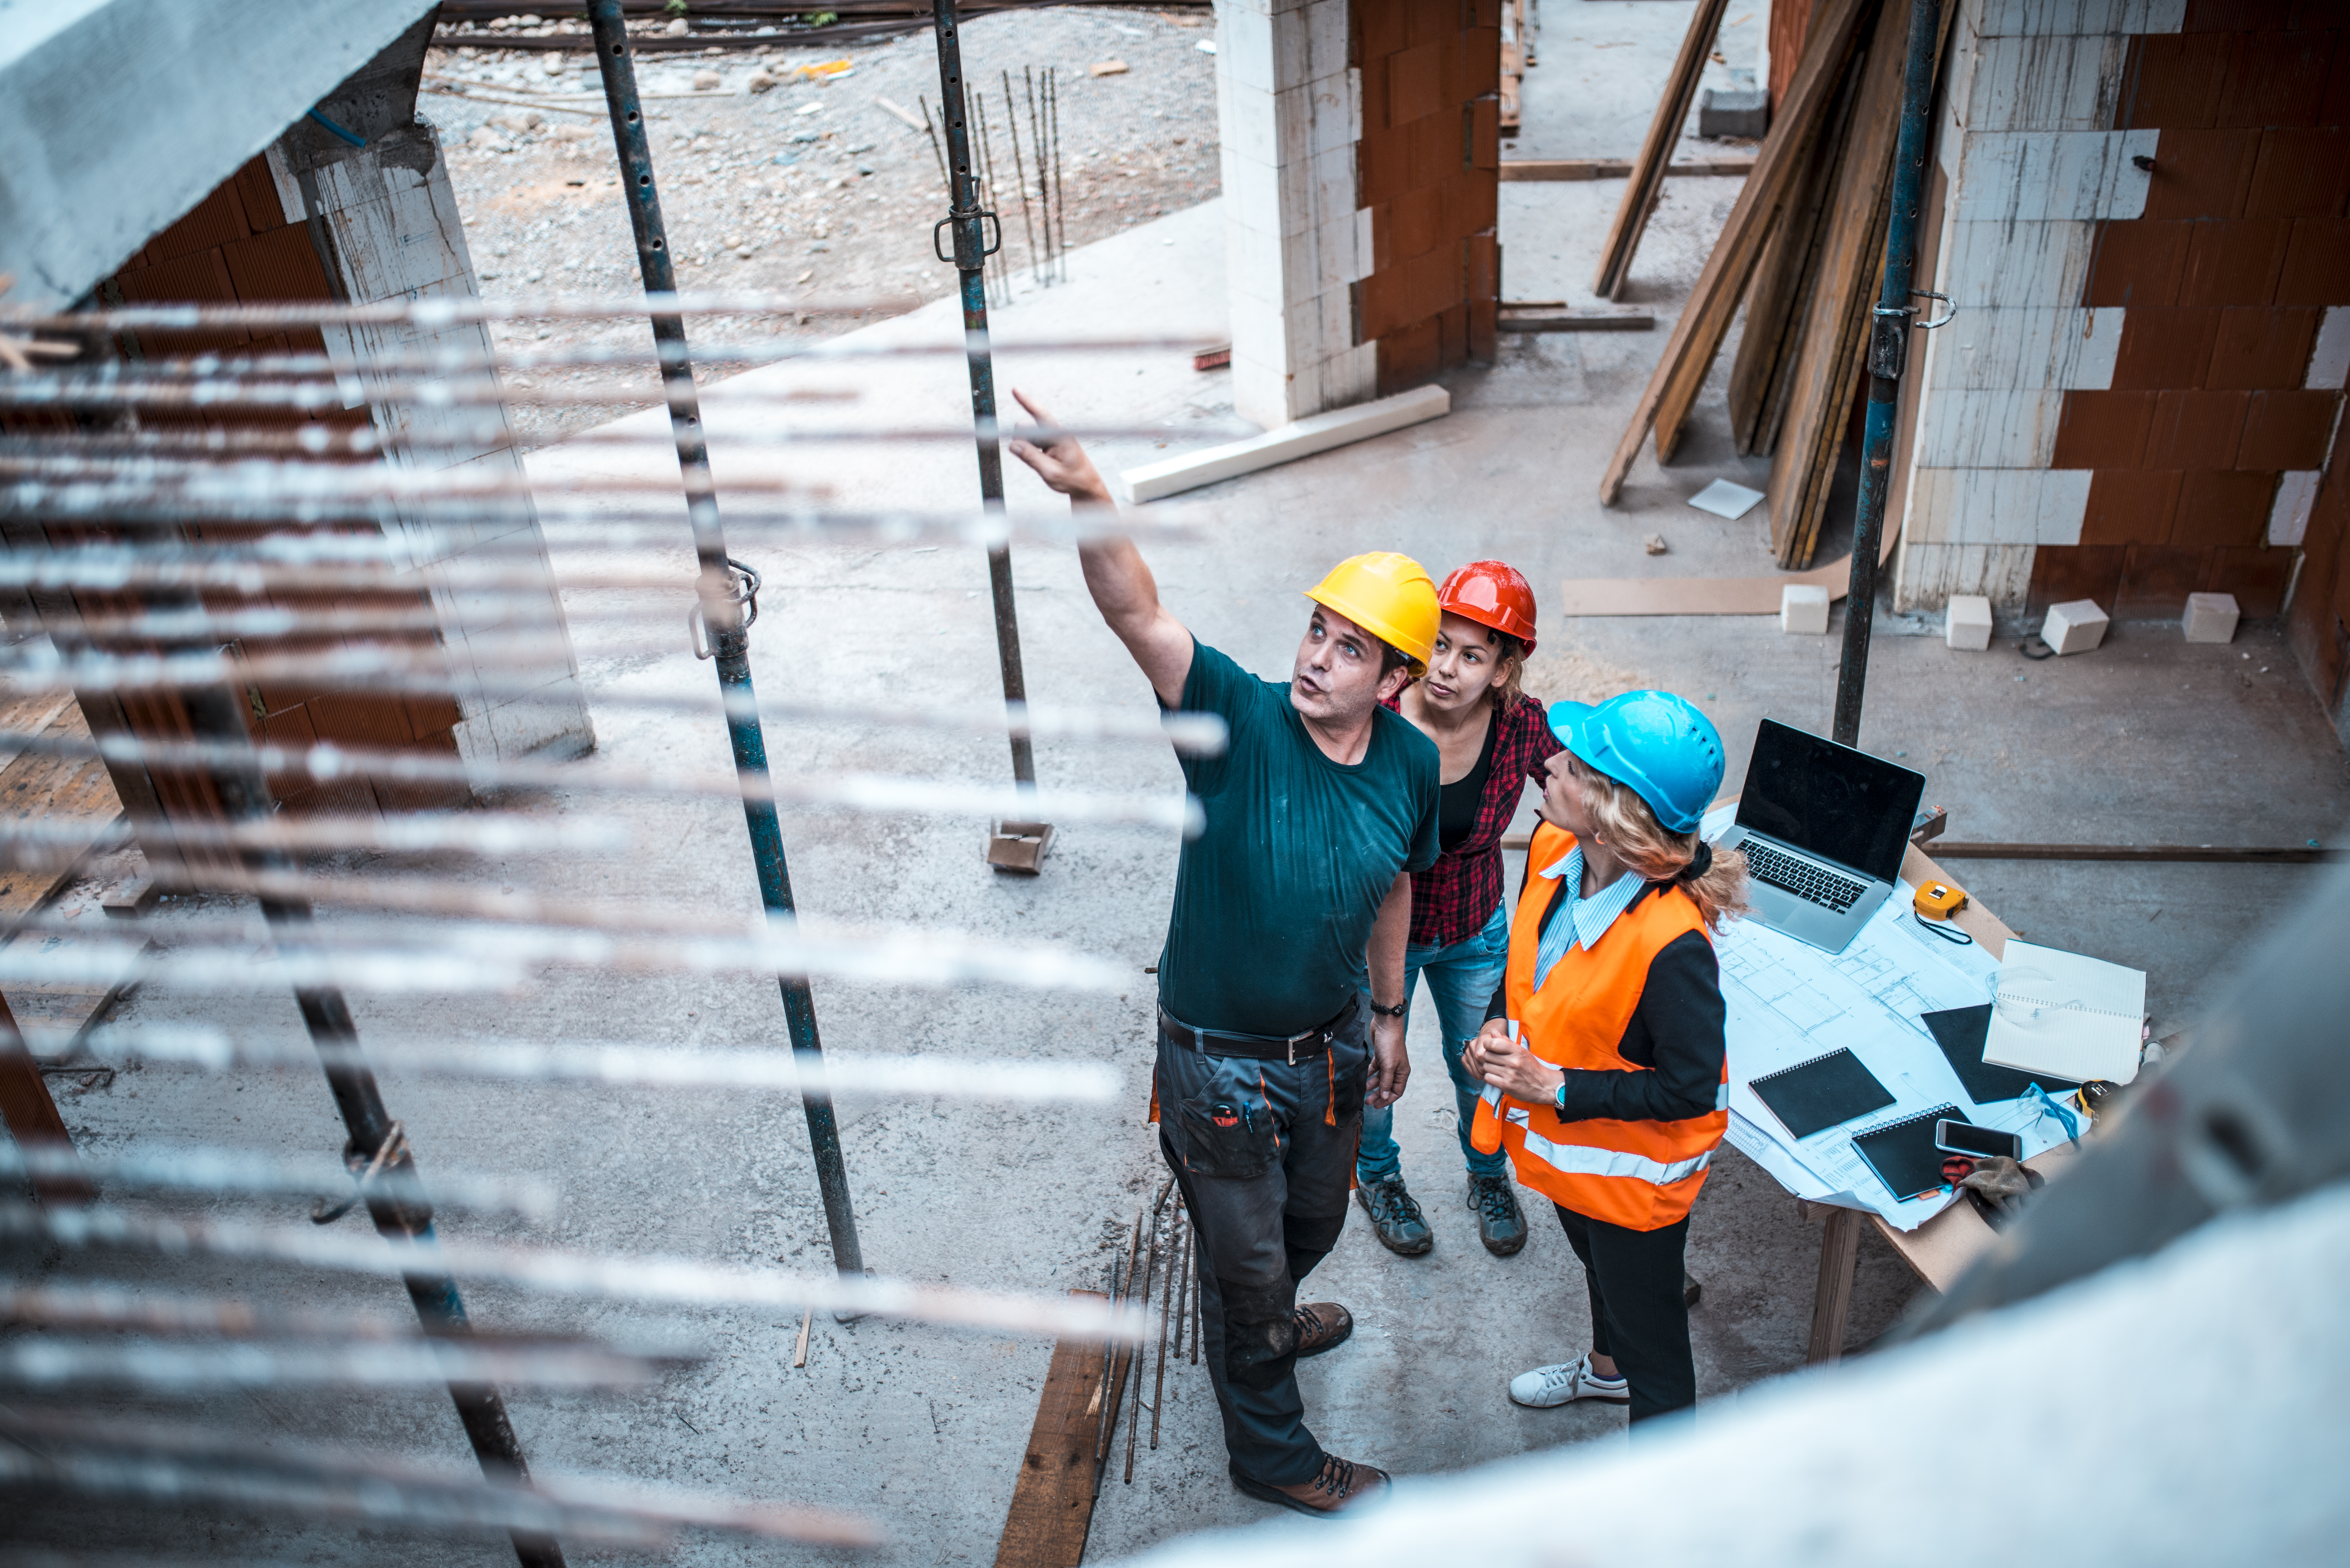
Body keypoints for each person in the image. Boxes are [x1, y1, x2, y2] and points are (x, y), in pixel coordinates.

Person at [1007, 390, 1440, 1518]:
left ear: (1394, 682)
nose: (1318, 658)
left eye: (1351, 648)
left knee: (1315, 1225)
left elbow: (1398, 880)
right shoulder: (1237, 721)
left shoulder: (1408, 764)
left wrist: (1390, 1014)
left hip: (1331, 1050)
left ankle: (1267, 1320)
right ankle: (1275, 1452)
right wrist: (1091, 493)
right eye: (1318, 631)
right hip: (1220, 1070)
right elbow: (1139, 614)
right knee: (1246, 1267)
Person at [1461, 690, 1747, 1429]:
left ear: (1615, 812)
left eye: (1575, 763)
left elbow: (1691, 1091)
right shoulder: (1554, 849)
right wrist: (1494, 1024)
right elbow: (1529, 966)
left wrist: (1555, 1086)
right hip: (1575, 1160)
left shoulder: (1673, 946)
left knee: (1655, 1351)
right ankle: (1604, 1371)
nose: (1549, 763)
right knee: (1598, 1272)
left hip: (1632, 1189)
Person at [1352, 562, 1562, 1260]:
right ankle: (1377, 1176)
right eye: (1439, 644)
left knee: (1480, 1063)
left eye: (1472, 656)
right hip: (1383, 939)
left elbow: (1581, 788)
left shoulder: (1520, 726)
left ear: (1503, 671)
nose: (1445, 667)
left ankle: (1488, 1170)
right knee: (1375, 1067)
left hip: (1474, 927)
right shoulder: (1379, 715)